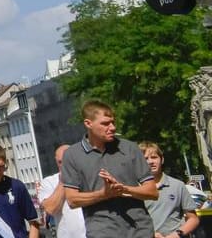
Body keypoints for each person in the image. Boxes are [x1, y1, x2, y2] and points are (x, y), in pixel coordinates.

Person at [58, 100, 157, 238]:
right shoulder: (72, 155)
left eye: (113, 122)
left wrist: (124, 189)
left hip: (140, 231)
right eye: (105, 123)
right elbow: (72, 200)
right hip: (103, 232)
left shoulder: (129, 148)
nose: (112, 128)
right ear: (88, 124)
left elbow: (152, 192)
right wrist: (104, 194)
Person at [140, 142, 200, 238]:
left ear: (162, 159)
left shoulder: (177, 185)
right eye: (145, 159)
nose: (150, 162)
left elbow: (193, 219)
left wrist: (176, 235)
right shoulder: (134, 189)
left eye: (154, 157)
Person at [41, 144, 86, 238]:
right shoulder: (49, 182)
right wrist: (63, 180)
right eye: (60, 162)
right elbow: (50, 209)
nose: (65, 165)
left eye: (68, 161)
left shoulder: (88, 175)